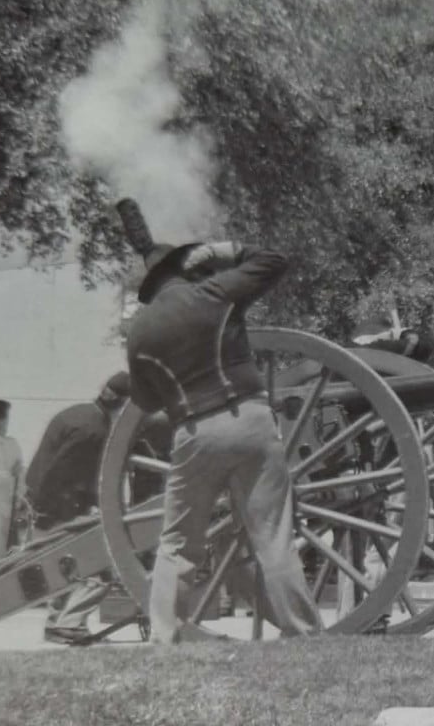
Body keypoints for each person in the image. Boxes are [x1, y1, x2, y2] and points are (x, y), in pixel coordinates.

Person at [126, 236, 323, 643]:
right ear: (185, 269)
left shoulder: (139, 332)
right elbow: (274, 257)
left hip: (193, 432)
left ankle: (163, 641)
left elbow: (145, 399)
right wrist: (222, 251)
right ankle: (302, 634)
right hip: (249, 419)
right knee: (273, 535)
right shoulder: (213, 293)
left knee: (177, 543)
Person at [26, 372, 133, 642]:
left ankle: (57, 624)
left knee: (60, 568)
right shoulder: (94, 428)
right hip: (57, 508)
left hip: (48, 505)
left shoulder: (78, 413)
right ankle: (69, 624)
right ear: (122, 404)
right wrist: (77, 508)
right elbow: (61, 470)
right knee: (103, 567)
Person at [0, 399, 25, 563]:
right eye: (1, 419)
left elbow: (21, 474)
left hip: (10, 507)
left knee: (9, 552)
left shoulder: (13, 444)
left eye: (6, 419)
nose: (4, 424)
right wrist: (10, 475)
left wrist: (20, 496)